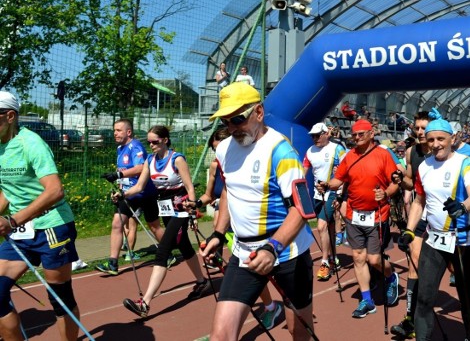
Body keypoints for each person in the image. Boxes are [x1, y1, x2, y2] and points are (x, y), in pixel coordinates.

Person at [200, 82, 315, 340]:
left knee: (299, 333)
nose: (231, 128)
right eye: (226, 122)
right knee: (221, 336)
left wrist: (273, 247)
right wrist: (218, 234)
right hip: (244, 254)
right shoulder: (224, 148)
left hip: (287, 253)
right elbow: (230, 190)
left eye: (238, 119)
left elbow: (301, 208)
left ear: (259, 113)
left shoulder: (280, 150)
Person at [0, 91, 82, 340]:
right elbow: (8, 192)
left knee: (59, 297)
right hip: (21, 231)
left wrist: (13, 220)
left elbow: (55, 190)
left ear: (10, 116)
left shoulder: (31, 143)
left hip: (52, 227)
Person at [400, 117, 470, 340]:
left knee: (466, 297)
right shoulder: (425, 166)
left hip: (463, 241)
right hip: (435, 239)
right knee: (424, 297)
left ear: (452, 138)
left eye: (441, 139)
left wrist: (462, 207)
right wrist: (409, 230)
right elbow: (419, 201)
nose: (436, 144)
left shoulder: (465, 162)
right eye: (431, 140)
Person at [120, 125, 211, 317]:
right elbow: (139, 187)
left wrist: (193, 210)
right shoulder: (149, 160)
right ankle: (203, 282)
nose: (151, 145)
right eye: (149, 142)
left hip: (181, 207)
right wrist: (122, 194)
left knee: (162, 251)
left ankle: (145, 302)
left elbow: (189, 186)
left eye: (155, 141)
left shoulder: (177, 159)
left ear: (165, 140)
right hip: (166, 208)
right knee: (184, 246)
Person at [317, 118, 400, 319]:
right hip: (354, 215)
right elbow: (339, 179)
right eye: (353, 135)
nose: (356, 137)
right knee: (357, 257)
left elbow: (395, 182)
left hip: (377, 215)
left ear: (371, 134)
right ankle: (367, 300)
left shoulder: (383, 154)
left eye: (360, 134)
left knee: (374, 259)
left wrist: (386, 194)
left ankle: (391, 276)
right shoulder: (349, 156)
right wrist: (327, 185)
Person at [97, 119, 168, 275]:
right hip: (128, 194)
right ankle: (113, 263)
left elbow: (141, 167)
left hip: (143, 193)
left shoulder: (135, 147)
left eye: (118, 130)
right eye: (114, 130)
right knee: (117, 224)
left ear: (128, 132)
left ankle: (167, 252)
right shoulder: (120, 149)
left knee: (154, 226)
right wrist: (117, 187)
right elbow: (121, 170)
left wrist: (118, 174)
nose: (115, 133)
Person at [391, 110, 431, 339]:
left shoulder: (442, 152)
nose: (420, 132)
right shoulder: (410, 152)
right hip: (419, 211)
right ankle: (411, 318)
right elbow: (409, 183)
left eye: (424, 128)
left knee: (452, 266)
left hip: (443, 216)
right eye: (417, 128)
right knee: (414, 262)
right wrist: (399, 179)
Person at [303, 122, 346, 281]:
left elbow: (346, 169)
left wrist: (339, 190)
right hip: (317, 193)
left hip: (333, 192)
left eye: (317, 135)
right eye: (312, 136)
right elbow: (303, 171)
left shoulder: (337, 149)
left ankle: (325, 262)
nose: (314, 139)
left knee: (321, 226)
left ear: (326, 133)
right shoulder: (310, 151)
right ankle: (334, 259)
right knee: (329, 227)